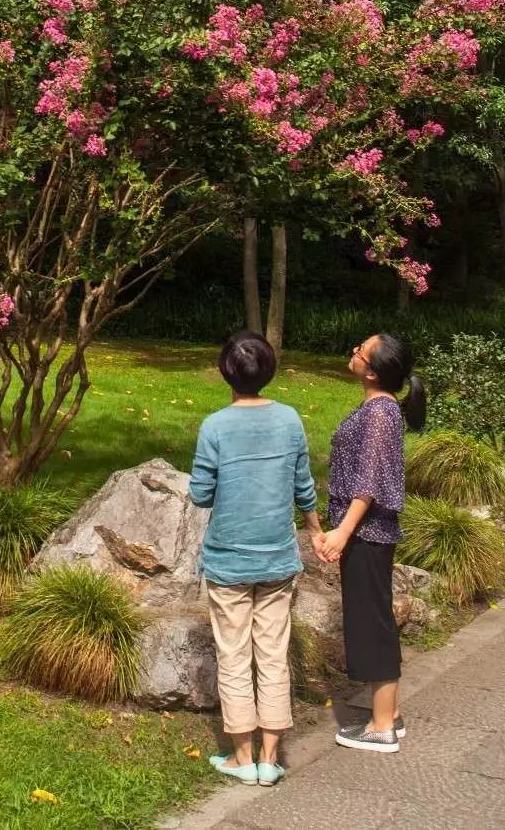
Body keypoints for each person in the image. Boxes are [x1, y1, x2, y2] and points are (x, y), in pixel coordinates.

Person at [190, 330, 323, 787]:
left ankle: (241, 759)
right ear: (269, 372)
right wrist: (316, 528)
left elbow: (200, 494)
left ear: (226, 373)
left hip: (228, 562)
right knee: (272, 655)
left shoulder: (215, 426)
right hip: (278, 560)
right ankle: (270, 758)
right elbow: (303, 485)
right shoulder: (290, 420)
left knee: (233, 655)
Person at [314, 332, 427, 754]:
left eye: (359, 351)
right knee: (372, 618)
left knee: (373, 623)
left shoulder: (380, 413)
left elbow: (369, 483)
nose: (353, 352)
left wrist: (343, 530)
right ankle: (388, 715)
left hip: (366, 532)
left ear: (374, 370)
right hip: (365, 532)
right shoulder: (378, 407)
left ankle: (381, 727)